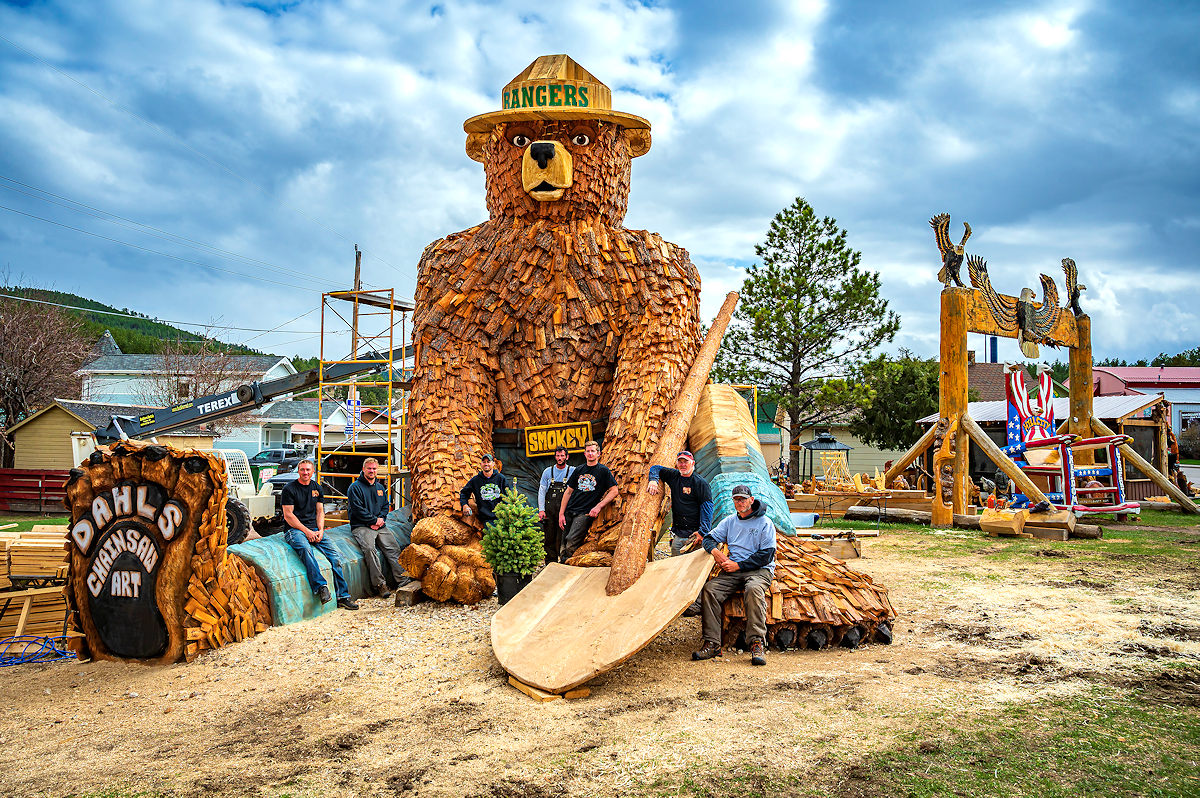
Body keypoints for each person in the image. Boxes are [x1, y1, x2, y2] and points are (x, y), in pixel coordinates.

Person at [692, 484, 776, 666]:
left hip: (759, 570)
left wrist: (738, 565)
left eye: (743, 499)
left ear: (751, 500)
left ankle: (757, 642)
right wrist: (715, 552)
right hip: (734, 570)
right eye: (736, 499)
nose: (740, 502)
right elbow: (708, 539)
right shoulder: (730, 521)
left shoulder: (765, 523)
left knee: (753, 590)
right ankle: (712, 643)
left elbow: (766, 555)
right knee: (710, 590)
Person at [281, 460, 358, 611]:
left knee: (335, 557)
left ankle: (343, 596)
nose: (305, 473)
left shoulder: (317, 488)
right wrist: (307, 531)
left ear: (313, 472)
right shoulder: (289, 489)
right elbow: (288, 515)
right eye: (302, 470)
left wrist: (321, 530)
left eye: (308, 470)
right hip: (295, 530)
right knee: (306, 550)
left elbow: (320, 511)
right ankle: (321, 587)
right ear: (298, 471)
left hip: (315, 529)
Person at [647, 450, 713, 616]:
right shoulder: (674, 476)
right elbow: (655, 468)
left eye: (686, 462)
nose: (683, 465)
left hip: (695, 534)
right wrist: (653, 480)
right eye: (680, 462)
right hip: (679, 533)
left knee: (696, 571)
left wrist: (702, 532)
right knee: (677, 569)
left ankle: (697, 604)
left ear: (693, 463)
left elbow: (707, 509)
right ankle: (679, 603)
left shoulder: (700, 483)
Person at [348, 457, 405, 598]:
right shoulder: (355, 488)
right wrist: (373, 521)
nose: (372, 471)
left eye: (374, 468)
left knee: (393, 548)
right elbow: (357, 510)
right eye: (369, 468)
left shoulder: (379, 488)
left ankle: (403, 580)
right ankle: (380, 585)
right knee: (370, 550)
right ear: (363, 469)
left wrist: (381, 519)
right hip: (361, 526)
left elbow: (385, 505)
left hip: (379, 525)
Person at [558, 440, 619, 562]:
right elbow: (568, 492)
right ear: (584, 454)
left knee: (571, 540)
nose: (590, 453)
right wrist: (561, 513)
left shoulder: (603, 471)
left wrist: (598, 507)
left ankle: (568, 563)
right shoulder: (579, 469)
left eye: (593, 451)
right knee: (563, 542)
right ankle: (562, 565)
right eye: (588, 451)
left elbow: (614, 491)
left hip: (585, 513)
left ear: (598, 453)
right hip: (570, 509)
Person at [538, 445, 575, 563]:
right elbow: (542, 491)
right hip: (550, 509)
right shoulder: (548, 472)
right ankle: (550, 562)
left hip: (565, 509)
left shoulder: (573, 471)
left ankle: (563, 561)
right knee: (549, 536)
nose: (560, 458)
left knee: (563, 536)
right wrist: (541, 510)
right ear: (555, 457)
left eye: (562, 455)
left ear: (567, 457)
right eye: (558, 456)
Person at [460, 453, 509, 525]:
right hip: (486, 519)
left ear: (493, 464)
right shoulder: (475, 480)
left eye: (488, 462)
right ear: (481, 464)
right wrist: (465, 505)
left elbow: (509, 495)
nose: (486, 464)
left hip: (502, 517)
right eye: (484, 462)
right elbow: (464, 493)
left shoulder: (501, 478)